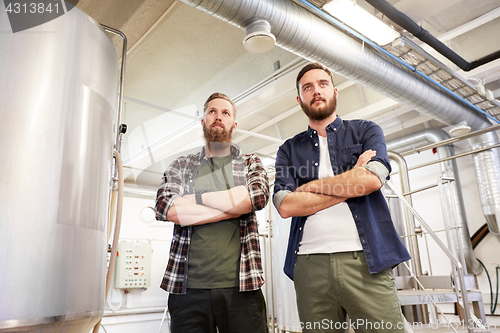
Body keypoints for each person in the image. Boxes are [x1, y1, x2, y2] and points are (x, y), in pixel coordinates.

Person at [273, 63, 410, 332]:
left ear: (335, 91)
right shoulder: (288, 149)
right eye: (307, 87)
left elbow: (371, 179)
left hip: (367, 263)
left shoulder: (366, 131)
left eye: (322, 84)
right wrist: (351, 180)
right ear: (299, 98)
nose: (316, 91)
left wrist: (308, 188)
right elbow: (286, 206)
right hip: (310, 266)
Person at [155, 92, 269, 333]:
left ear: (234, 124)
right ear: (203, 121)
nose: (218, 117)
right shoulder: (182, 165)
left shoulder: (250, 163)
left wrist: (195, 198)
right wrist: (232, 207)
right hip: (187, 291)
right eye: (212, 112)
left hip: (242, 288)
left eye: (225, 113)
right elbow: (168, 207)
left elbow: (255, 198)